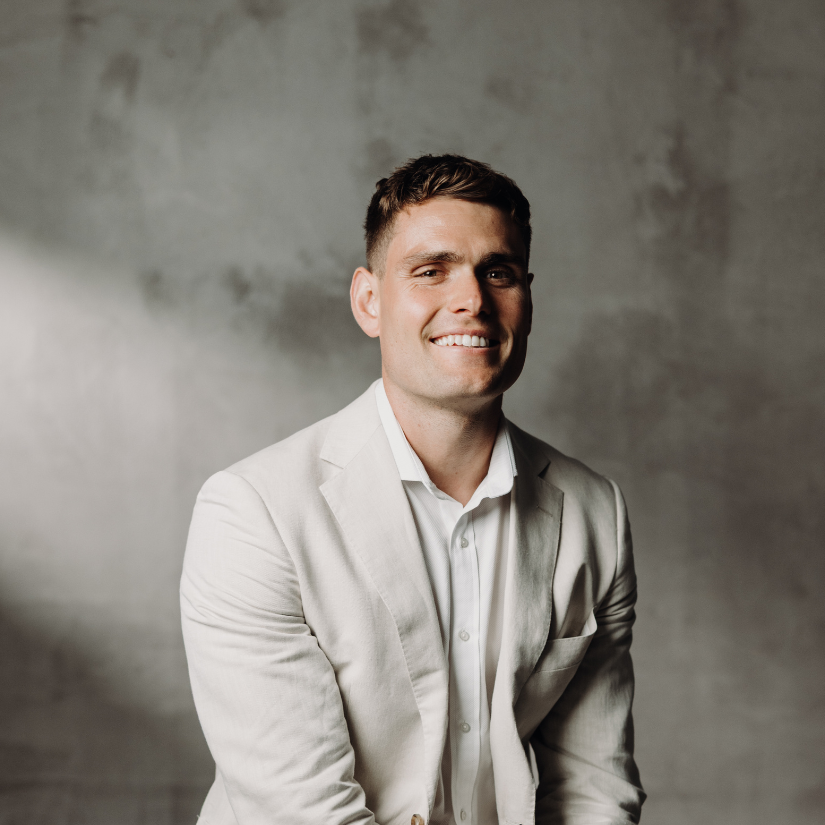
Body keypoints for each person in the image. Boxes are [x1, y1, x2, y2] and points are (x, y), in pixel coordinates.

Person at [180, 155, 645, 825]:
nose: (472, 300)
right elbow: (303, 810)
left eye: (499, 272)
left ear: (527, 298)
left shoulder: (593, 512)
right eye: (431, 270)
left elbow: (593, 789)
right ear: (369, 301)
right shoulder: (254, 512)